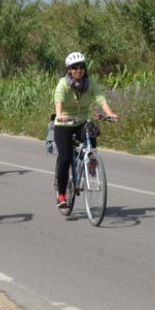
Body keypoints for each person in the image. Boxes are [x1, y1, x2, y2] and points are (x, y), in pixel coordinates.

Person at [52, 51, 118, 209]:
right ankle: (62, 194)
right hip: (64, 124)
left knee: (91, 128)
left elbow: (100, 98)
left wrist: (110, 113)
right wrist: (60, 115)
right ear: (69, 70)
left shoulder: (90, 83)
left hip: (81, 121)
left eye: (81, 67)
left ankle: (91, 160)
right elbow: (58, 99)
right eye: (74, 68)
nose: (78, 70)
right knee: (65, 159)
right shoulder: (63, 83)